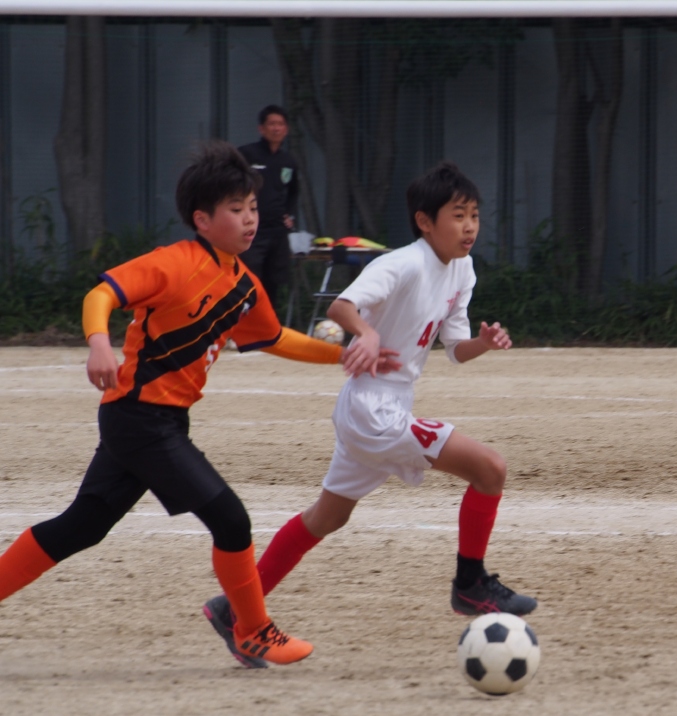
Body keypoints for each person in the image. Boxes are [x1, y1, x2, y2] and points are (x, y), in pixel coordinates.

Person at [0, 141, 387, 668]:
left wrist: (344, 355)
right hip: (140, 419)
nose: (249, 219)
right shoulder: (174, 264)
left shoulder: (243, 284)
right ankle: (252, 630)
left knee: (82, 525)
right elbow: (101, 295)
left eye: (253, 207)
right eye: (236, 209)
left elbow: (275, 337)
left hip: (153, 421)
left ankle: (247, 628)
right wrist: (98, 342)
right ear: (202, 220)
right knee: (231, 521)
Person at [202, 162, 537, 669]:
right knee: (490, 468)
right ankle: (470, 585)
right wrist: (368, 333)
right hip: (373, 410)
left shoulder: (462, 269)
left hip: (382, 408)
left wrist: (483, 344)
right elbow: (341, 307)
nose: (470, 226)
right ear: (425, 222)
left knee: (327, 517)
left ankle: (233, 608)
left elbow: (455, 349)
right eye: (458, 215)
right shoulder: (403, 264)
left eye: (474, 215)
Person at [238, 105, 299, 314]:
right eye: (271, 124)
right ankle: (241, 323)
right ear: (261, 128)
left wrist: (289, 215)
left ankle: (269, 325)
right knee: (249, 278)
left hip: (277, 231)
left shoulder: (288, 161)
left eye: (280, 124)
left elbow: (294, 191)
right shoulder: (246, 154)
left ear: (286, 129)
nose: (276, 128)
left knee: (274, 280)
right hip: (252, 230)